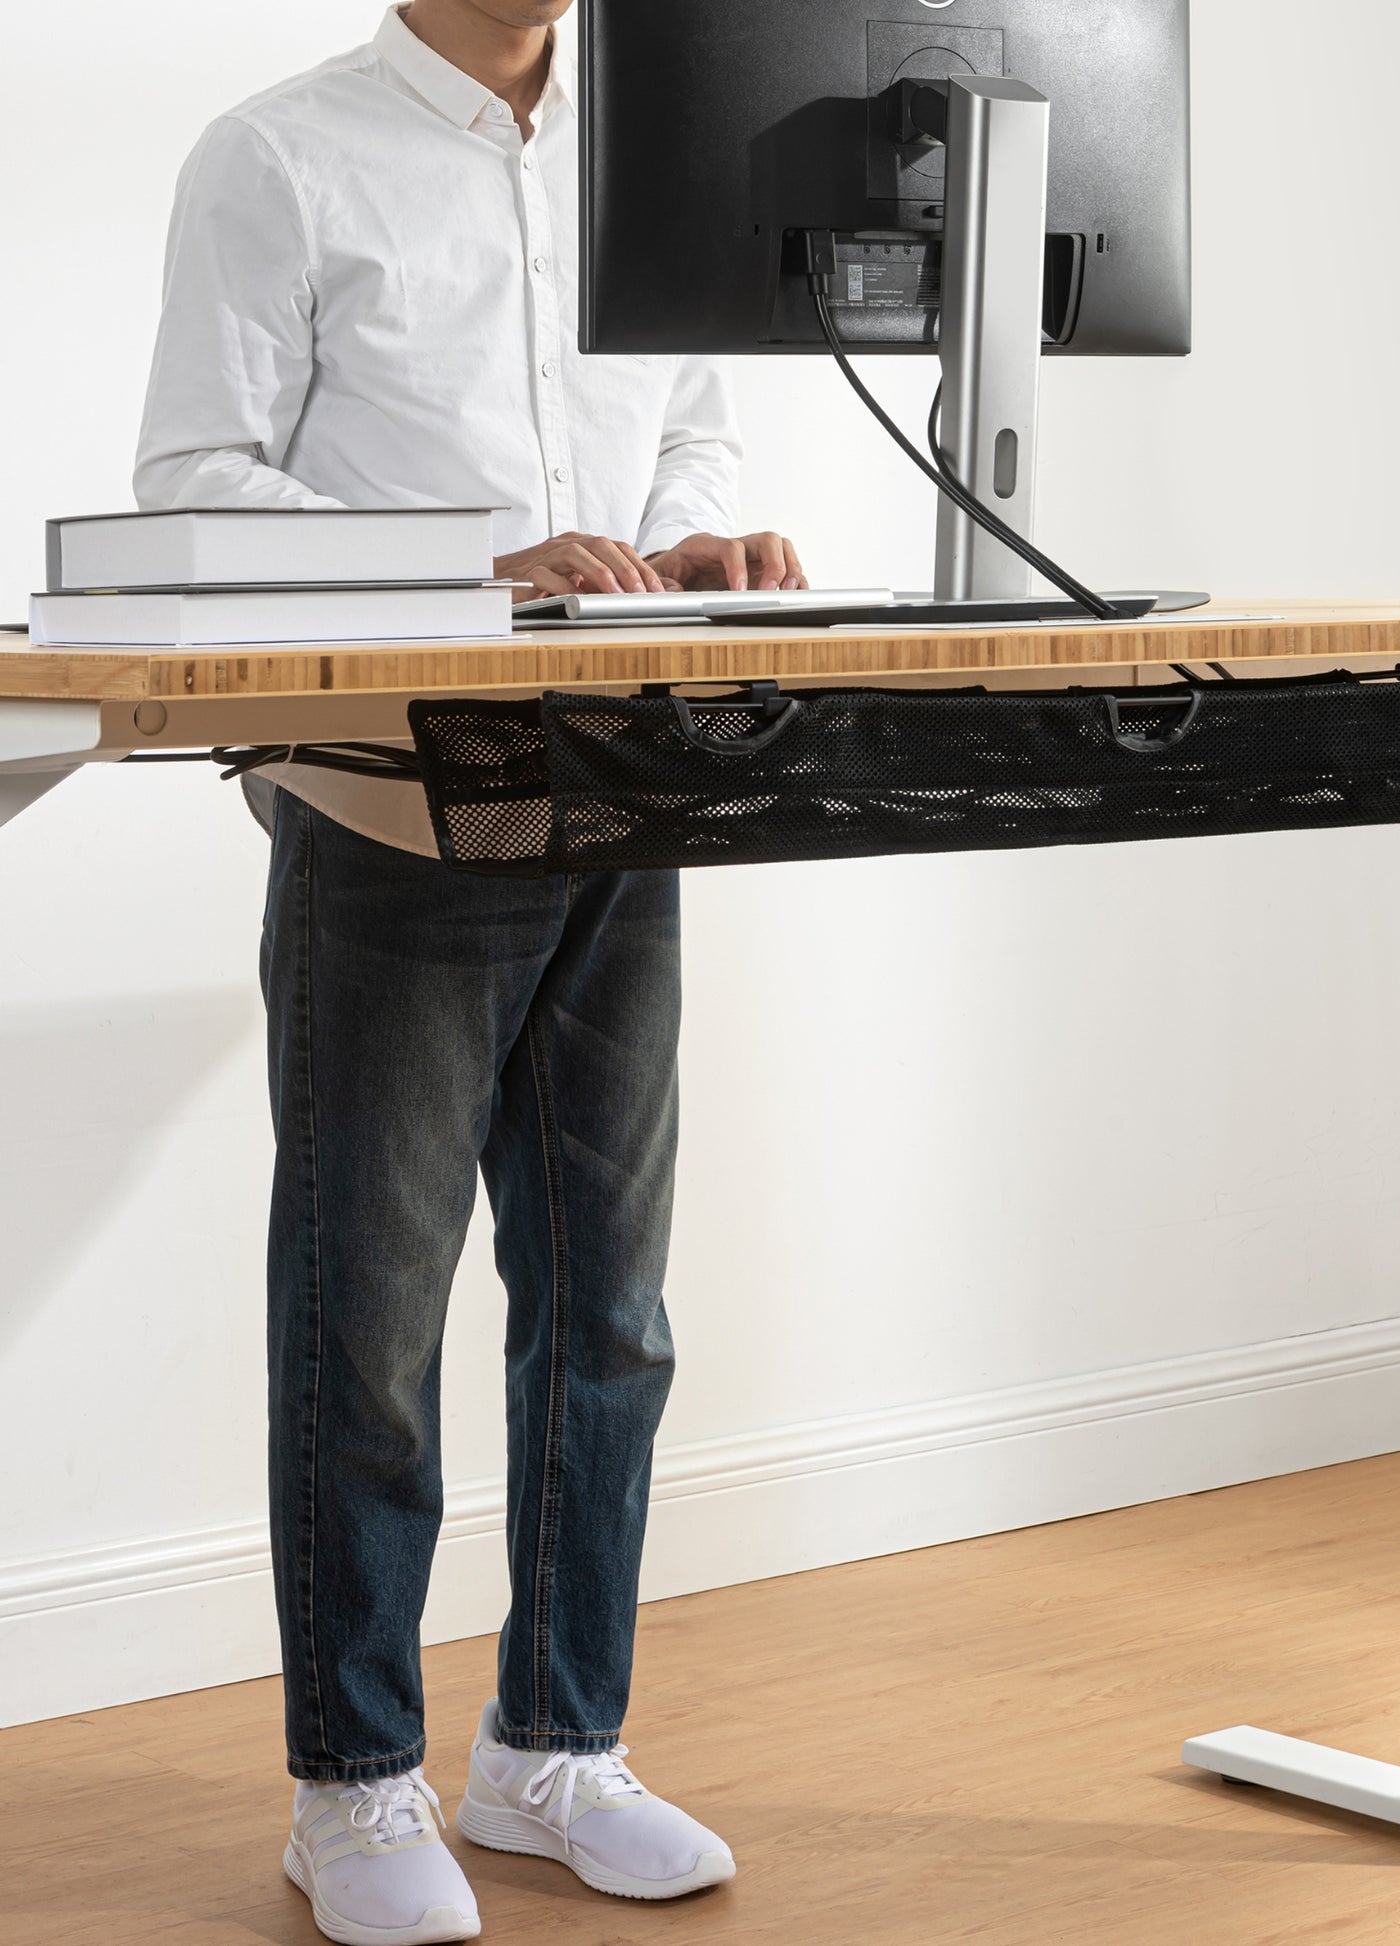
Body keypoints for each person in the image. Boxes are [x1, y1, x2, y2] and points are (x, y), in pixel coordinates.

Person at [134, 4, 802, 1939]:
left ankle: (552, 1747)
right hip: (393, 790)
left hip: (628, 772)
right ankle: (349, 1787)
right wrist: (485, 565)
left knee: (611, 1303)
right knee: (370, 1315)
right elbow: (196, 478)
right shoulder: (278, 156)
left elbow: (687, 427)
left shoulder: (654, 159)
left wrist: (701, 545)